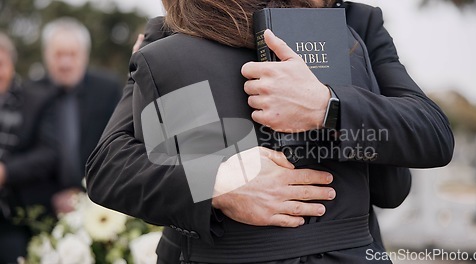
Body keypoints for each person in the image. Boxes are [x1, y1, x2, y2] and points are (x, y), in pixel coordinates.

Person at [86, 0, 453, 263]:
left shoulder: (359, 23)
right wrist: (214, 184)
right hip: (214, 249)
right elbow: (110, 166)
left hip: (344, 244)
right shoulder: (175, 31)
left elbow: (431, 131)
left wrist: (327, 105)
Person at [35, 17, 122, 214]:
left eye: (72, 54)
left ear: (85, 56)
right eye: (58, 54)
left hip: (99, 203)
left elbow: (117, 143)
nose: (65, 63)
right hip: (43, 207)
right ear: (46, 55)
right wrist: (52, 196)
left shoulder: (107, 90)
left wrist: (84, 192)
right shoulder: (32, 93)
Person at [0, 32, 58, 263]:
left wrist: (6, 172)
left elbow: (48, 154)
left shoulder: (36, 101)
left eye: (0, 64)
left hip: (14, 219)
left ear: (12, 64)